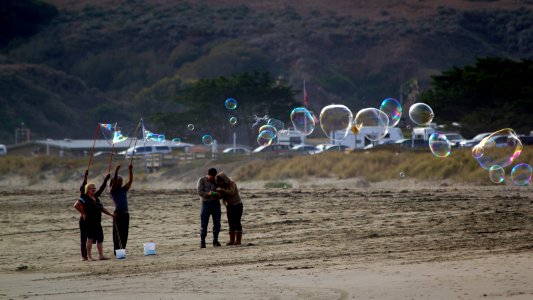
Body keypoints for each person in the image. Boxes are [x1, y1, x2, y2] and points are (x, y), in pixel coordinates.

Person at [81, 174, 115, 260]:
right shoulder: (85, 198)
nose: (94, 189)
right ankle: (89, 256)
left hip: (97, 222)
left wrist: (110, 214)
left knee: (100, 238)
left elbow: (101, 208)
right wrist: (83, 213)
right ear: (87, 189)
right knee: (90, 239)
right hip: (89, 222)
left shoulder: (96, 197)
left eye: (94, 188)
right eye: (92, 188)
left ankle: (101, 255)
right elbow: (76, 205)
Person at [110, 164, 133, 256]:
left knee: (125, 233)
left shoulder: (123, 190)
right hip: (118, 214)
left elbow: (131, 181)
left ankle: (122, 250)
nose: (120, 182)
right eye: (118, 181)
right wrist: (116, 171)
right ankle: (117, 251)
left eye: (121, 181)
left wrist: (130, 170)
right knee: (117, 234)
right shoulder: (113, 190)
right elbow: (114, 181)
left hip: (125, 214)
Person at [215, 172, 243, 245]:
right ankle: (232, 240)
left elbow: (231, 192)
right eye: (218, 182)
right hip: (229, 206)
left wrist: (221, 190)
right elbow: (221, 196)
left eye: (220, 181)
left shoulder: (232, 184)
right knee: (231, 223)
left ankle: (238, 241)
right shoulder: (222, 187)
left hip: (237, 205)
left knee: (237, 222)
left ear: (224, 180)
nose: (220, 183)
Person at [197, 168, 222, 248]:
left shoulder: (216, 181)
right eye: (211, 177)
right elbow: (200, 192)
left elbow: (221, 192)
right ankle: (202, 242)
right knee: (204, 224)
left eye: (213, 177)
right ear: (208, 174)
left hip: (216, 204)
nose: (212, 178)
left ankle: (215, 240)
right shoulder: (202, 180)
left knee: (217, 223)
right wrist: (208, 194)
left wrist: (219, 194)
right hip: (206, 204)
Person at [73, 170, 89, 261]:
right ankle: (84, 256)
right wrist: (85, 177)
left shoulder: (88, 197)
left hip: (88, 220)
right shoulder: (83, 196)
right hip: (83, 220)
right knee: (84, 238)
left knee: (88, 238)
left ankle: (86, 255)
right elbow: (75, 205)